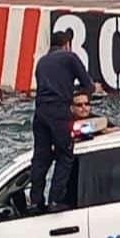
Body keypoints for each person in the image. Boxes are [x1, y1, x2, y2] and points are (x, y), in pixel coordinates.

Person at [30, 29, 95, 212]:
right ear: (66, 44)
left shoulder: (41, 62)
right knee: (65, 156)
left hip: (40, 113)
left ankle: (35, 202)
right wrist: (78, 93)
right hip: (59, 113)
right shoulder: (70, 57)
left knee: (40, 159)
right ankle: (55, 201)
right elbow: (87, 85)